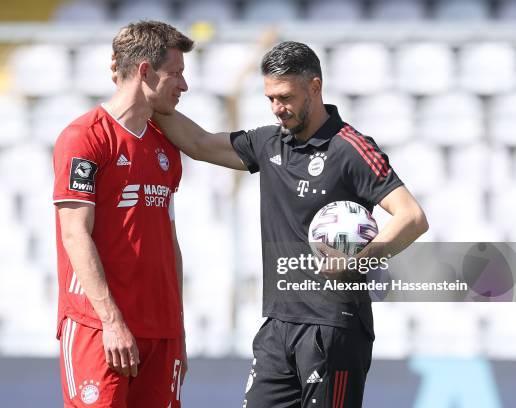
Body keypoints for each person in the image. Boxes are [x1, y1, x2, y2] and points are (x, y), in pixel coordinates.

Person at [150, 41, 429, 407]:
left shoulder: (351, 149)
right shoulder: (268, 143)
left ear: (315, 87)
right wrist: (147, 101)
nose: (277, 108)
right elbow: (199, 143)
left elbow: (412, 216)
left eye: (285, 97)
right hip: (278, 326)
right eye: (270, 98)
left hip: (334, 325)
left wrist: (360, 258)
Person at [52, 21, 193, 408]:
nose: (184, 86)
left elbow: (169, 239)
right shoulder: (84, 137)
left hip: (161, 334)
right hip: (100, 329)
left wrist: (177, 328)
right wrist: (112, 322)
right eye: (176, 74)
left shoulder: (166, 148)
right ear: (146, 71)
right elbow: (74, 235)